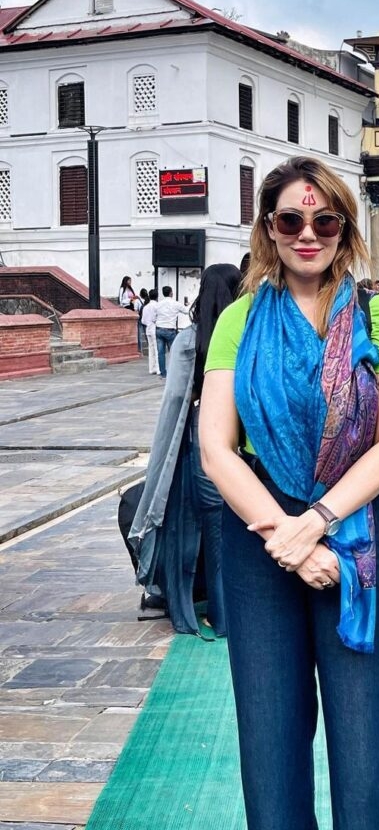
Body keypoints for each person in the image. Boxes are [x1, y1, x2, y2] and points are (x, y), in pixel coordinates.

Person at [199, 156, 379, 830]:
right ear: (270, 227)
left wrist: (314, 522)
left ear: (344, 228)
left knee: (365, 732)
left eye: (324, 219)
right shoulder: (238, 320)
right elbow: (215, 447)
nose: (308, 233)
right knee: (270, 734)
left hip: (354, 528)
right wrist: (283, 537)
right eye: (291, 219)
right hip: (257, 531)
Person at [129, 264, 242, 636]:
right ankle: (233, 614)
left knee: (201, 530)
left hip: (200, 441)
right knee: (231, 537)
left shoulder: (191, 339)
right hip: (243, 444)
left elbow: (176, 397)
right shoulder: (245, 332)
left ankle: (206, 612)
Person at [155, 286, 188, 379]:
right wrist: (188, 304)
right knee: (173, 352)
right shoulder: (175, 304)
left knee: (160, 353)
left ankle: (163, 373)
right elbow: (186, 311)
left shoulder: (158, 304)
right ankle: (173, 372)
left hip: (159, 329)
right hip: (170, 330)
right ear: (171, 293)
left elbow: (154, 315)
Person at [141, 288, 160, 375]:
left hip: (148, 328)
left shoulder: (146, 307)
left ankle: (151, 368)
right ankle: (158, 368)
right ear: (157, 296)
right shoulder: (157, 306)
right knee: (157, 349)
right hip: (155, 327)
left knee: (151, 348)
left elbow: (143, 321)